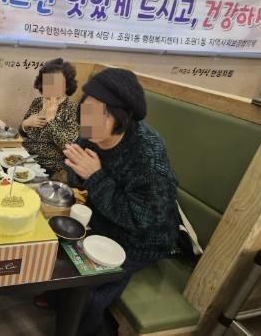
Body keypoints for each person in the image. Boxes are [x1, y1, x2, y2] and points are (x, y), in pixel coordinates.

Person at [63, 68, 180, 335]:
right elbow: (77, 178)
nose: (90, 119)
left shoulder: (148, 155)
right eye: (87, 109)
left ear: (123, 116)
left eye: (102, 113)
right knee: (57, 249)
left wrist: (95, 177)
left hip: (142, 240)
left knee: (87, 292)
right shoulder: (90, 133)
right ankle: (61, 302)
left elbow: (141, 220)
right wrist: (80, 172)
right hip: (102, 218)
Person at [19, 58, 80, 179]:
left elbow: (69, 146)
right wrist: (25, 124)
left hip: (51, 167)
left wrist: (51, 120)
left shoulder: (73, 109)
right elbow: (23, 134)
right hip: (24, 156)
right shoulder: (37, 102)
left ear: (67, 86)